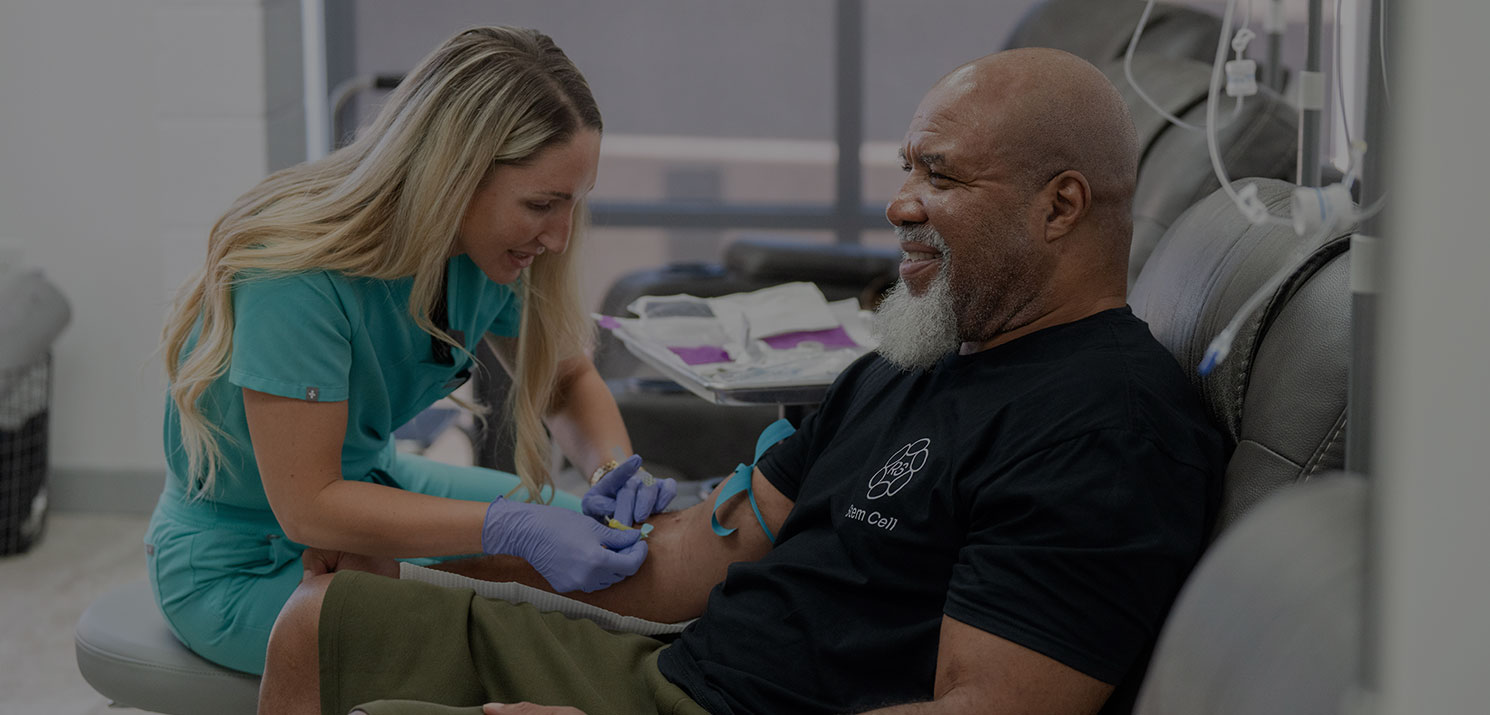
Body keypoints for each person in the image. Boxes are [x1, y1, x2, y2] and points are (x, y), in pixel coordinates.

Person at [257, 47, 1225, 715]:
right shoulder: (903, 366)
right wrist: (452, 559)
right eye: (905, 170)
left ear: (1059, 207)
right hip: (683, 669)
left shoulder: (1107, 431)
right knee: (323, 612)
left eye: (940, 176)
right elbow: (690, 559)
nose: (899, 204)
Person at [146, 26, 676, 675]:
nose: (561, 237)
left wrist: (611, 471)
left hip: (376, 484)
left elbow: (563, 382)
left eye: (573, 204)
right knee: (514, 646)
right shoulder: (293, 276)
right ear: (454, 175)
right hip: (242, 559)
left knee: (635, 564)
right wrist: (508, 527)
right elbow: (310, 505)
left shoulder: (486, 249)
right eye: (542, 204)